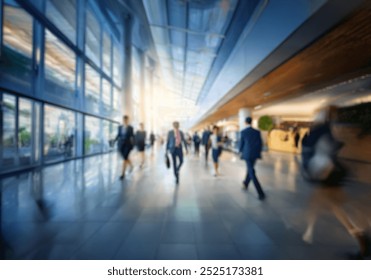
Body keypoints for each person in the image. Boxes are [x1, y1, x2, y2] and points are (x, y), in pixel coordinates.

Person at [300, 107, 370, 259]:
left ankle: (360, 235)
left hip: (327, 174)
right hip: (333, 174)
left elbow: (311, 148)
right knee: (337, 205)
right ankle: (360, 235)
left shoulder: (322, 130)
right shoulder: (333, 129)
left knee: (334, 205)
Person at [239, 117, 265, 200]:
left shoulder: (243, 132)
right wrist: (258, 152)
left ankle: (260, 192)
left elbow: (241, 143)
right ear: (251, 122)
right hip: (255, 154)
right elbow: (260, 143)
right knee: (250, 169)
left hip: (247, 154)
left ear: (245, 122)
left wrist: (240, 151)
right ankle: (246, 183)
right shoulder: (257, 132)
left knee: (251, 172)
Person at [115, 115, 134, 180]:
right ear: (123, 120)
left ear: (128, 120)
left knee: (124, 159)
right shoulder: (119, 127)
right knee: (125, 158)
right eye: (124, 120)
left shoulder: (130, 128)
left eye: (126, 120)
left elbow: (132, 136)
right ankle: (131, 165)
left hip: (127, 145)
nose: (125, 121)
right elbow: (118, 135)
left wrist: (133, 145)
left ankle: (123, 174)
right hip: (121, 145)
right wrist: (114, 140)